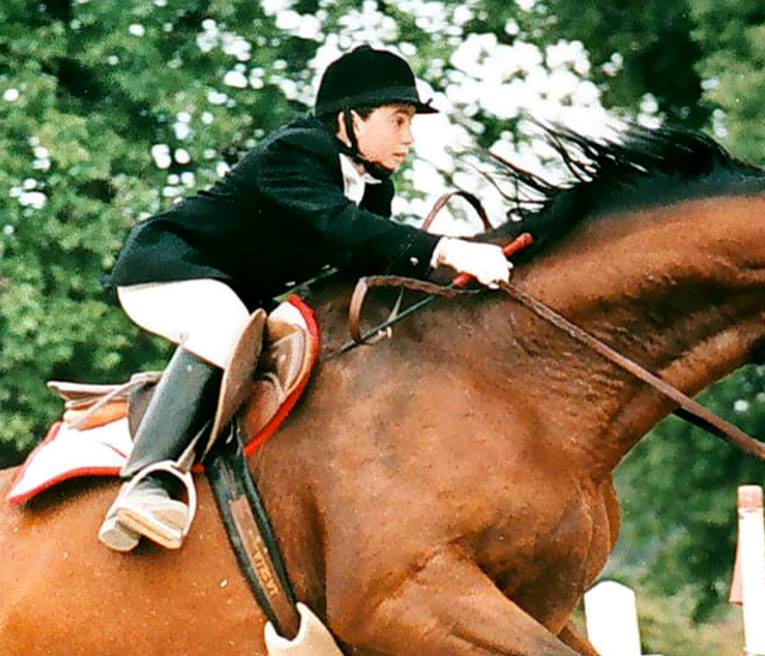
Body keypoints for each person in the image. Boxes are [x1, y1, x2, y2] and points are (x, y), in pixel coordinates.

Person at [98, 45, 512, 552]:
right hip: (166, 270)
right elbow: (343, 227)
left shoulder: (374, 186)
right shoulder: (294, 152)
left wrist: (458, 280)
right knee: (226, 327)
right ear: (350, 120)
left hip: (231, 291)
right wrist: (447, 249)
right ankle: (144, 483)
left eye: (410, 123)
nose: (408, 137)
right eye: (398, 120)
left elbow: (370, 262)